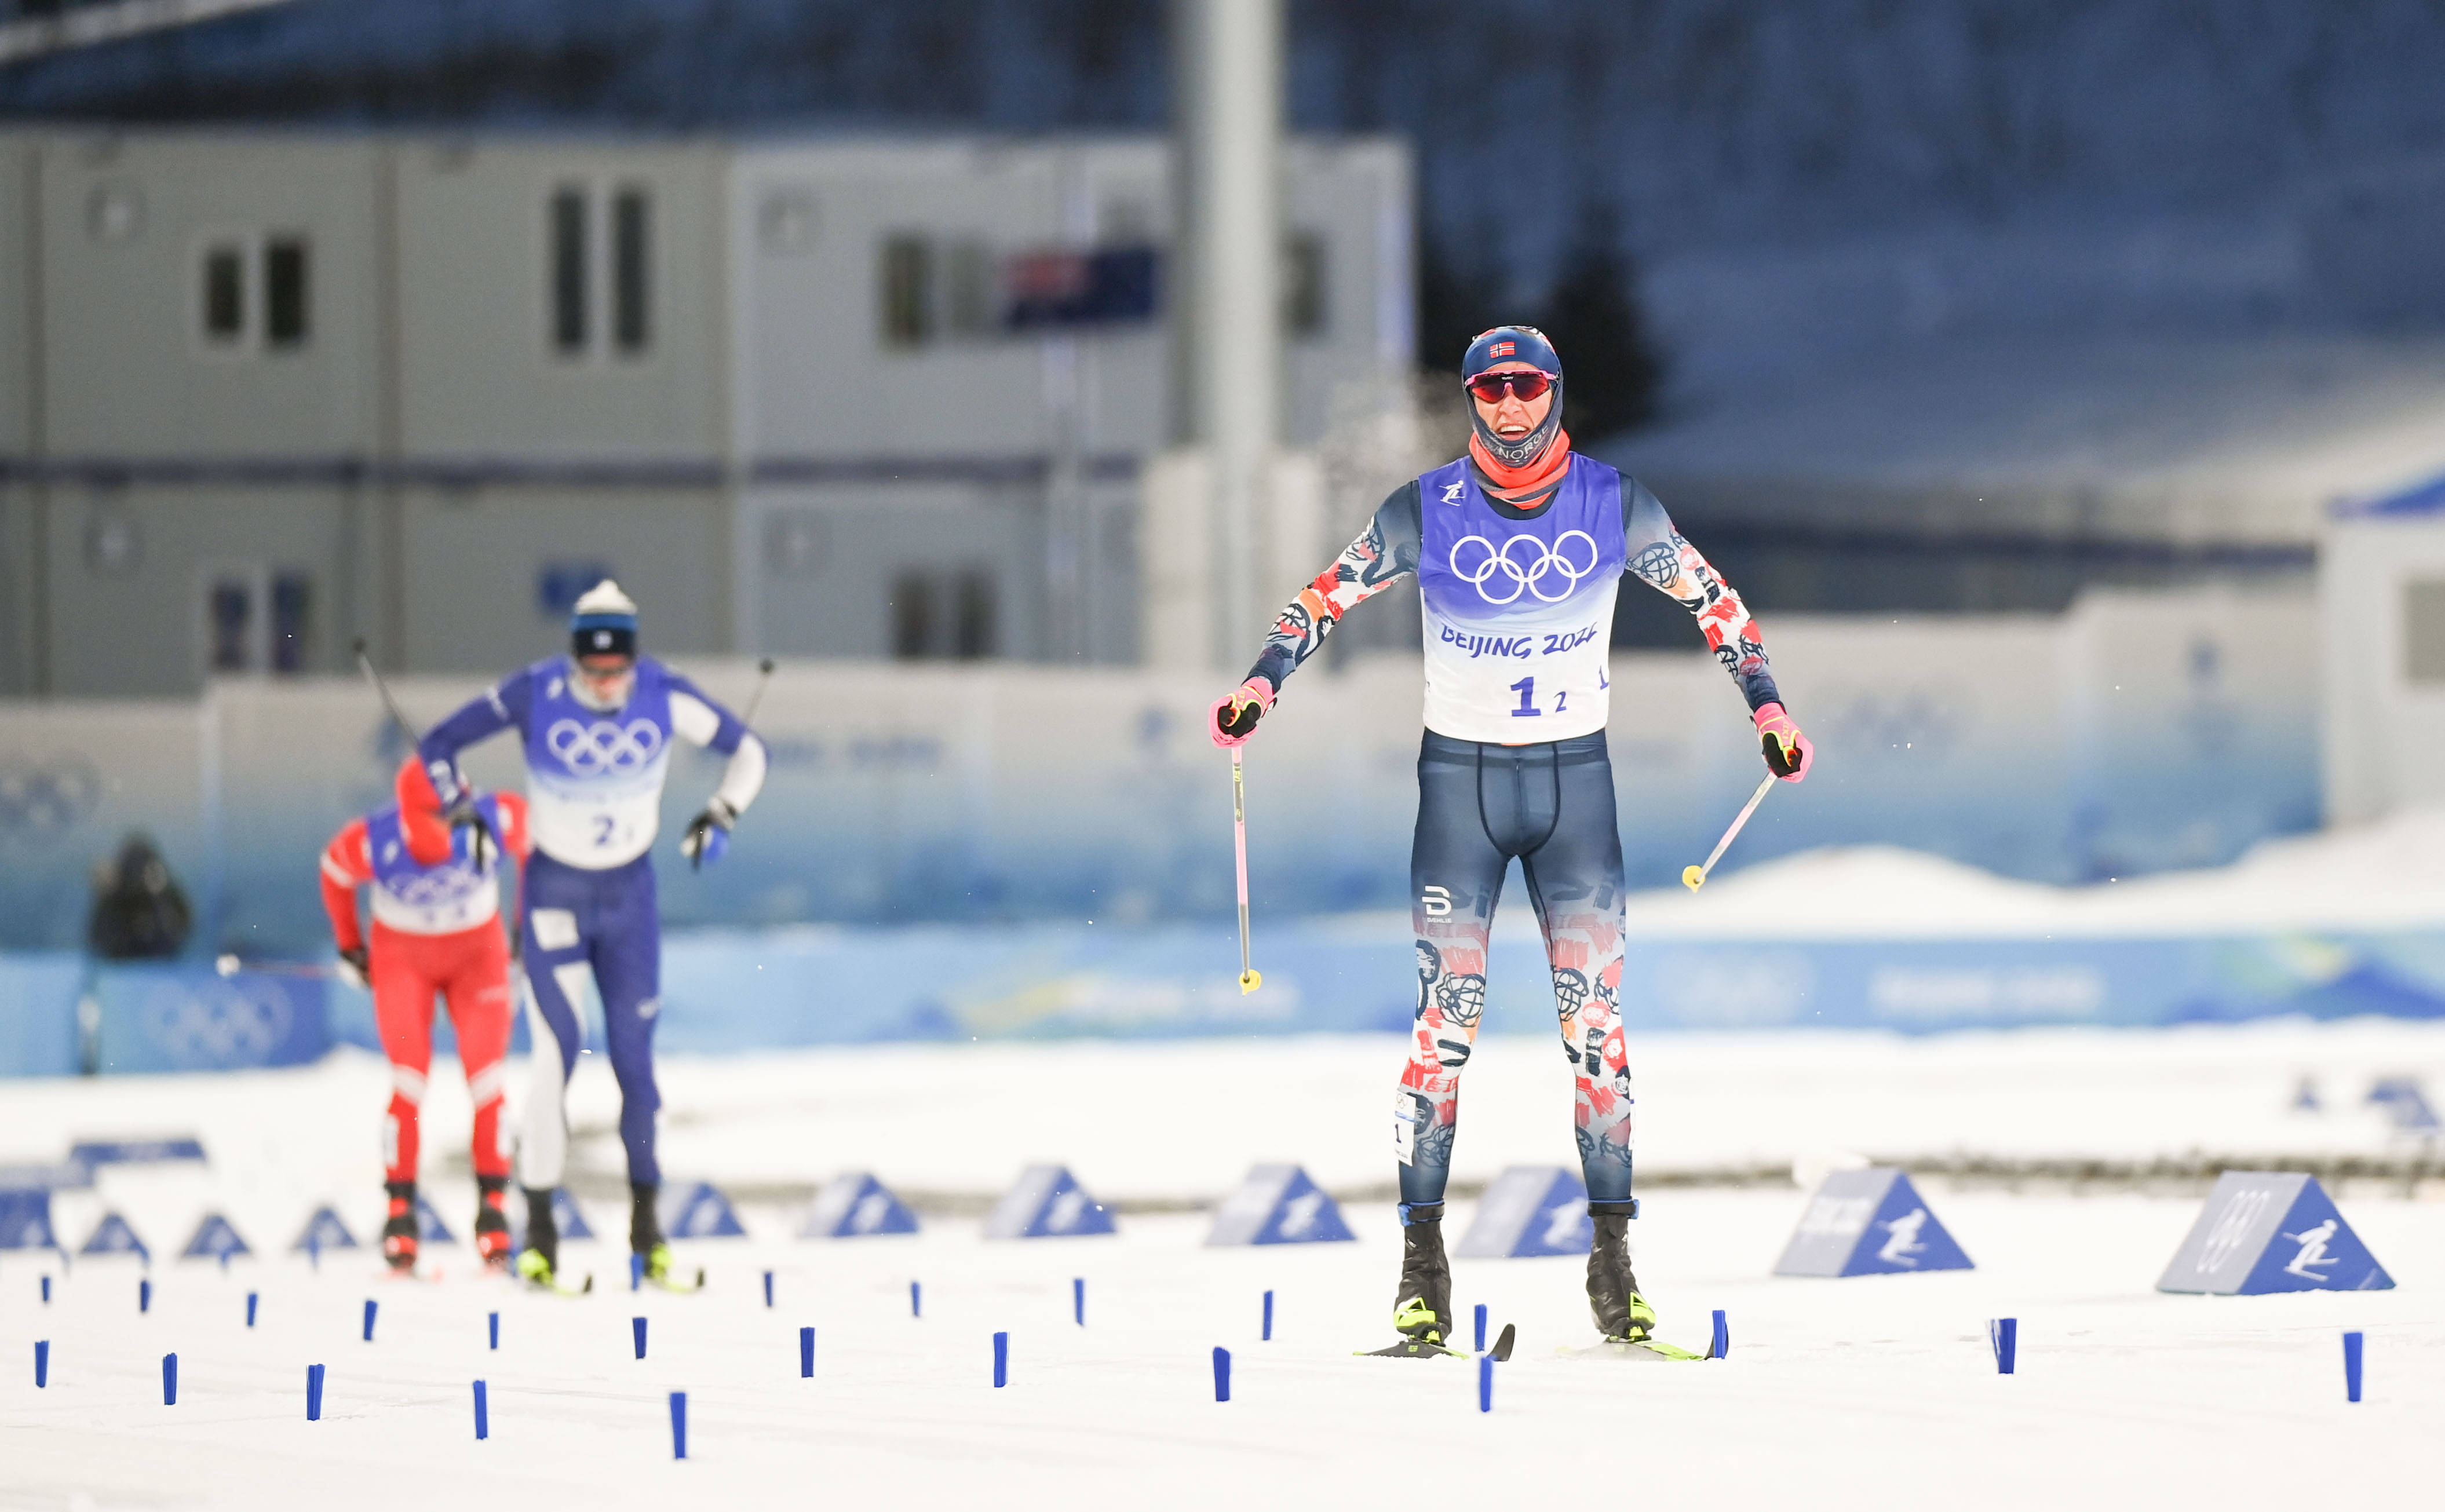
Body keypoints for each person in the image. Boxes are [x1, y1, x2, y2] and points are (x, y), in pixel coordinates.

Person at [1210, 326, 1812, 1354]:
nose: (1508, 404)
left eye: (1527, 386)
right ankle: (1421, 1276)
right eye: (1489, 387)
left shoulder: (1614, 502)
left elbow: (1717, 603)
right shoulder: (1426, 508)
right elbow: (1325, 595)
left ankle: (1615, 1268)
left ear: (1554, 393)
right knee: (1444, 1034)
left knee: (1598, 1035)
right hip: (1461, 794)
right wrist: (1264, 679)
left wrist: (1767, 705)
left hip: (1575, 790)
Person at [402, 580, 767, 1290]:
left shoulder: (664, 691)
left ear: (633, 662)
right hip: (555, 894)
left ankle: (646, 1232)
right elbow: (440, 743)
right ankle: (537, 1234)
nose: (604, 687)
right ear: (573, 662)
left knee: (636, 1066)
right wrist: (462, 812)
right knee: (553, 1059)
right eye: (591, 672)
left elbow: (750, 751)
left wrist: (722, 812)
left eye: (616, 673)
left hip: (629, 898)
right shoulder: (537, 690)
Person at [319, 765, 528, 1272]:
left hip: (477, 955)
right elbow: (333, 870)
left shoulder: (492, 816)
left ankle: (494, 1212)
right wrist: (351, 946)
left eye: (459, 809)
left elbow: (535, 849)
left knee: (486, 1077)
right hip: (403, 961)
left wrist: (523, 930)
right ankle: (400, 1216)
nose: (455, 823)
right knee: (410, 1078)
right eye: (441, 815)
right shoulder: (375, 840)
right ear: (411, 814)